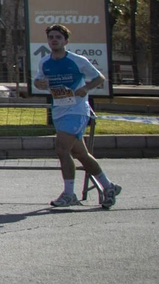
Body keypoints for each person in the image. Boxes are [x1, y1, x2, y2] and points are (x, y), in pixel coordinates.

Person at [34, 23, 119, 209]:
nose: (54, 40)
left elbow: (99, 78)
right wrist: (39, 83)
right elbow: (40, 79)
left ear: (65, 41)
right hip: (59, 110)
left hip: (77, 110)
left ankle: (69, 194)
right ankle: (108, 186)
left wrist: (86, 88)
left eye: (58, 37)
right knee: (80, 153)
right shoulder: (45, 62)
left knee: (61, 150)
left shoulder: (77, 60)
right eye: (51, 37)